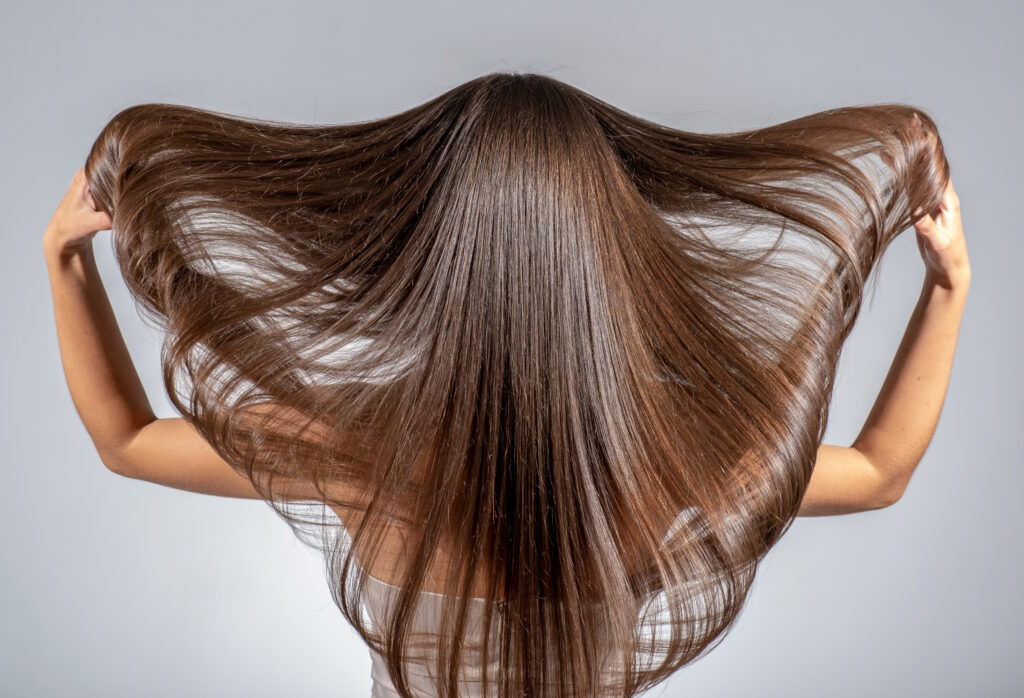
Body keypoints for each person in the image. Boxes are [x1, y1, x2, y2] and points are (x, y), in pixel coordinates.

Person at [44, 76, 969, 697]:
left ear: (434, 267)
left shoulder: (361, 457)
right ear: (610, 271)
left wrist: (64, 260)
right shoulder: (668, 469)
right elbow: (879, 472)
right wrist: (947, 286)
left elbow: (128, 440)